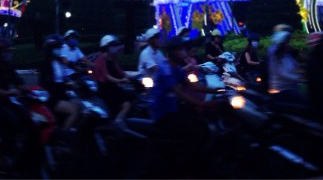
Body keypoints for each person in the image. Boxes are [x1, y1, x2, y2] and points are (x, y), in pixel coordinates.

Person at [149, 37, 227, 176]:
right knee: (197, 131)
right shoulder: (166, 69)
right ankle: (188, 168)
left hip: (175, 109)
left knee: (204, 122)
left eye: (183, 49)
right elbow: (179, 93)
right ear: (171, 52)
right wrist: (203, 103)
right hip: (164, 114)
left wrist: (222, 90)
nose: (183, 52)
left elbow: (193, 86)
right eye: (180, 49)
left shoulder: (176, 68)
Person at [0, 38, 38, 163]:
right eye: (6, 51)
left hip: (5, 100)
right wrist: (10, 92)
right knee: (11, 121)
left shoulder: (8, 66)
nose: (9, 53)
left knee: (25, 114)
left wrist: (32, 91)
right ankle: (1, 154)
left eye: (9, 51)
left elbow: (19, 82)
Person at [39, 35, 80, 130]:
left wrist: (71, 82)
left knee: (81, 106)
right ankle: (64, 134)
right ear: (51, 49)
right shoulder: (46, 65)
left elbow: (64, 76)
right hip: (52, 98)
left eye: (60, 46)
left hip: (62, 94)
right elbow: (46, 85)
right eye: (57, 47)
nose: (60, 49)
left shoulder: (59, 61)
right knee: (74, 111)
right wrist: (65, 85)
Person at [93, 35, 134, 127]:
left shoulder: (112, 57)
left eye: (115, 45)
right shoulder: (101, 58)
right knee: (127, 104)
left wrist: (130, 77)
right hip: (105, 89)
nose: (115, 47)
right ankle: (117, 124)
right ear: (106, 46)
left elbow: (119, 70)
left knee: (132, 95)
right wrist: (120, 80)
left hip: (113, 86)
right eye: (112, 45)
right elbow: (106, 76)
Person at [266, 24, 306, 104]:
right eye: (287, 41)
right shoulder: (274, 53)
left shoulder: (287, 54)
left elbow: (297, 65)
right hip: (282, 89)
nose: (289, 44)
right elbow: (281, 72)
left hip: (292, 86)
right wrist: (298, 78)